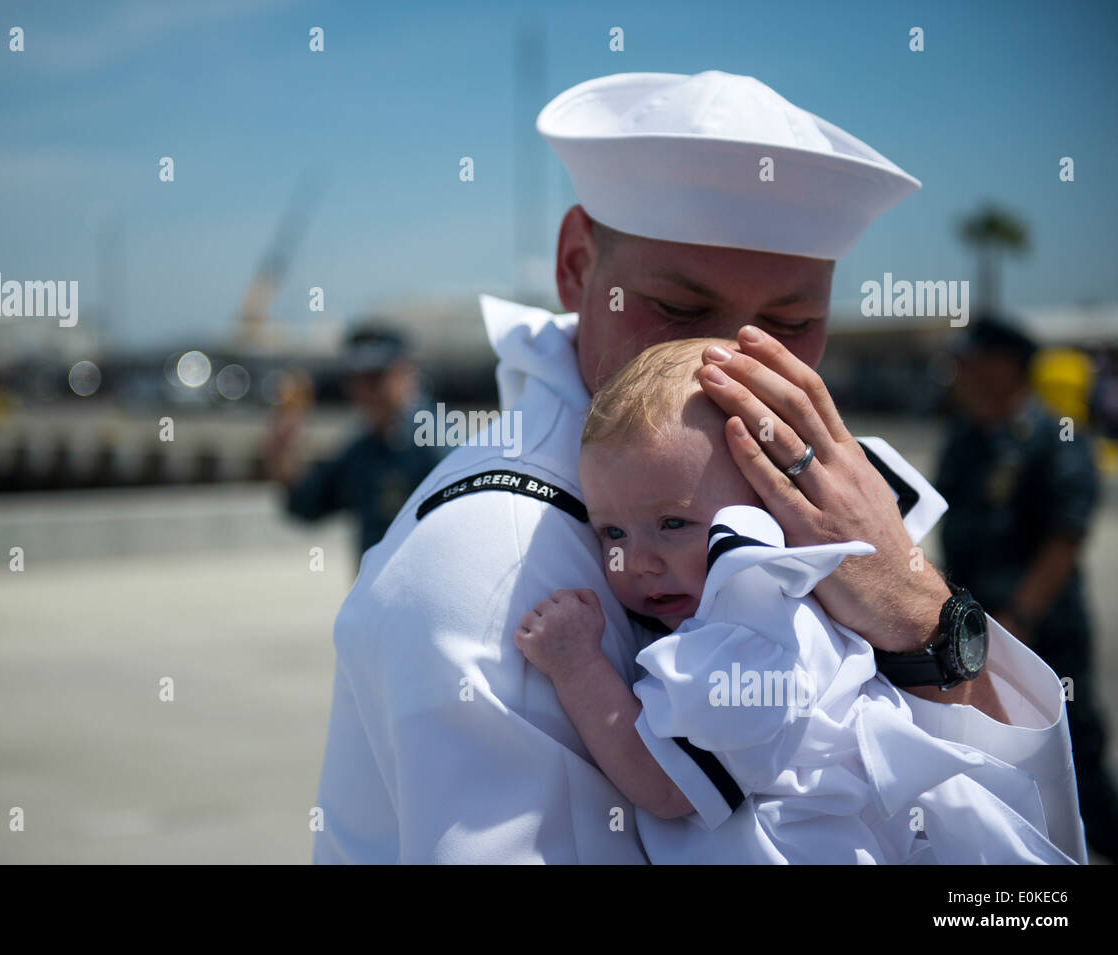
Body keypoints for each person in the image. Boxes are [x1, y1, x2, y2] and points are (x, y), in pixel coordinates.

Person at [312, 71, 1085, 863]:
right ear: (578, 264)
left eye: (791, 323)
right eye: (679, 311)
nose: (727, 363)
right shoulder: (495, 565)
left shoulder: (830, 504)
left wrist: (920, 613)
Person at [514, 338, 1075, 863]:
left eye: (672, 522)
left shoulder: (751, 634)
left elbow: (663, 785)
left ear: (774, 505)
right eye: (612, 533)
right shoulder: (776, 613)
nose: (636, 561)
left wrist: (577, 666)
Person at [937, 315, 1118, 860]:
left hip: (1042, 631)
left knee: (1071, 748)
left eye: (970, 361)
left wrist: (1018, 619)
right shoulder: (965, 437)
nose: (958, 373)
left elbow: (1065, 538)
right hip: (977, 629)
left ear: (1005, 368)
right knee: (993, 752)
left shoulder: (1054, 436)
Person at [261, 323, 444, 562]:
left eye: (374, 378)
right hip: (378, 595)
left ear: (406, 373)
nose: (363, 391)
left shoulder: (434, 441)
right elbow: (308, 504)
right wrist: (282, 448)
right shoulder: (364, 448)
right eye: (355, 379)